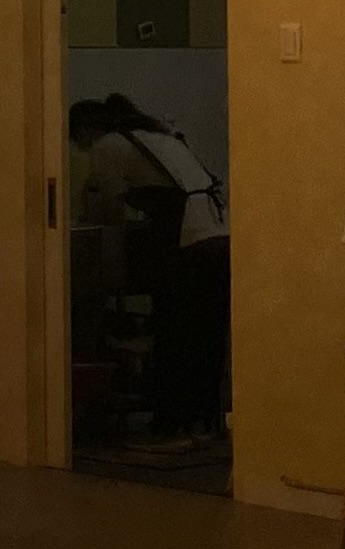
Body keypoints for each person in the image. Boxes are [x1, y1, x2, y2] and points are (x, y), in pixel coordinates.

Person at [67, 93, 231, 453]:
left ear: (85, 131)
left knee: (174, 335)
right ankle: (205, 424)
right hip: (219, 237)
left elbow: (107, 211)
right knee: (206, 336)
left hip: (188, 243)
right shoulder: (158, 136)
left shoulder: (108, 145)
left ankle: (170, 427)